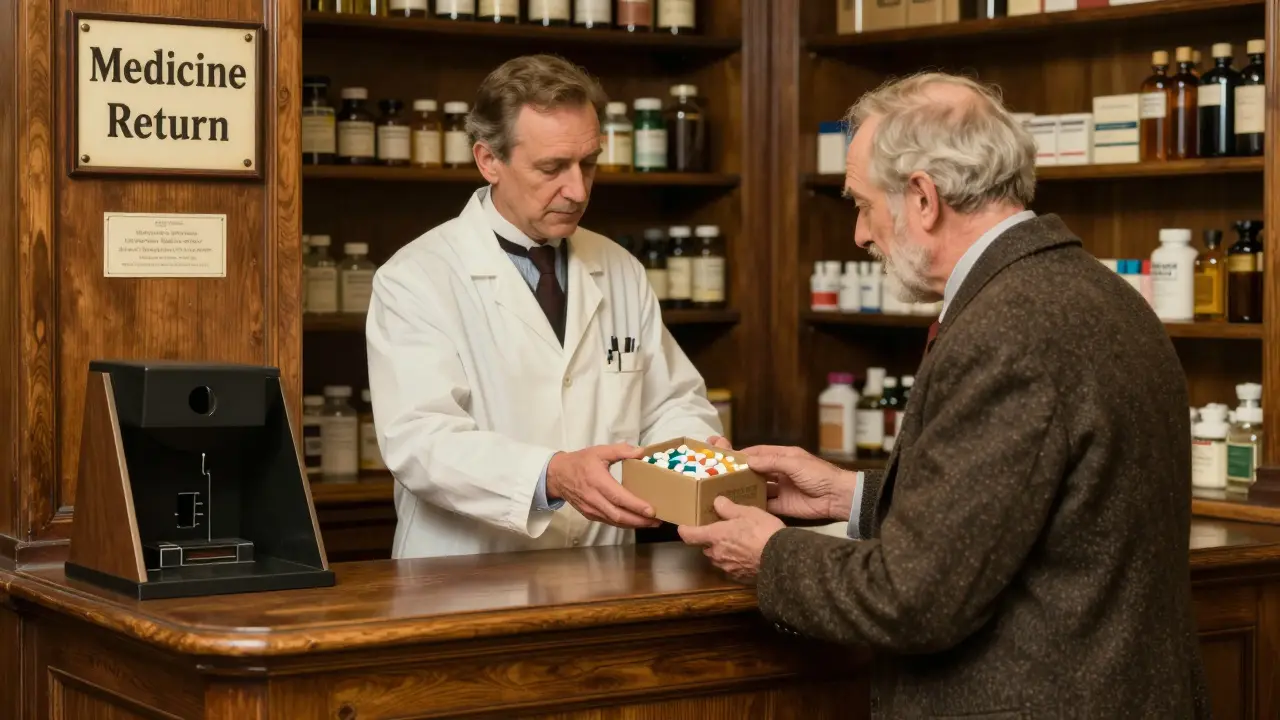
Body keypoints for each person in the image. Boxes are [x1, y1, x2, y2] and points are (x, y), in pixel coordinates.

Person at [680, 73, 1210, 717]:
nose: (860, 234)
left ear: (923, 198)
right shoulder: (1095, 290)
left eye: (863, 205)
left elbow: (913, 600)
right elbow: (1032, 509)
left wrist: (769, 555)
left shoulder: (1007, 330)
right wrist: (850, 496)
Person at [366, 54, 722, 560]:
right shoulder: (416, 278)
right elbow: (421, 441)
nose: (577, 190)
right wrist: (552, 474)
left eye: (588, 164)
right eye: (552, 168)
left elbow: (670, 402)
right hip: (468, 577)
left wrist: (697, 456)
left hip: (603, 569)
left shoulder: (620, 268)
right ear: (489, 160)